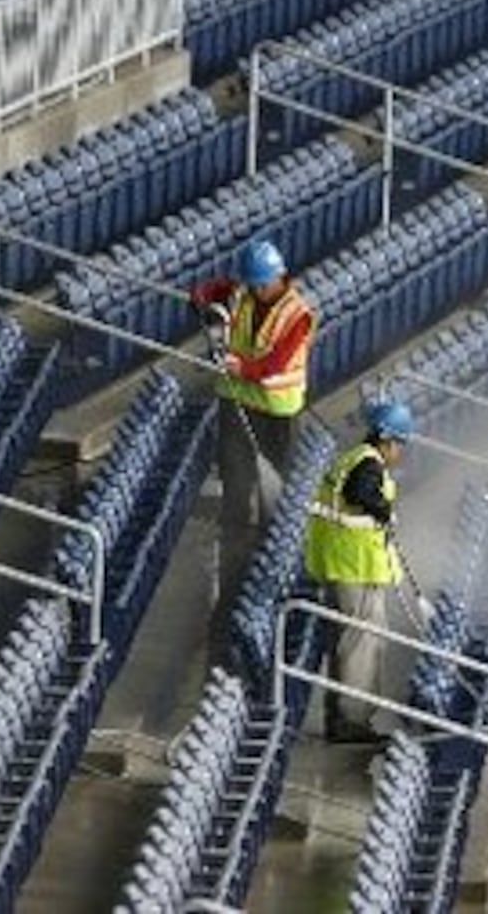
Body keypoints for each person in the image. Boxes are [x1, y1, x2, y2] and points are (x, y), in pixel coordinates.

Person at [189, 239, 316, 675]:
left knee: (273, 496)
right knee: (237, 489)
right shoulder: (240, 293)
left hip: (276, 415)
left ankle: (266, 557)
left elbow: (276, 364)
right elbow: (202, 291)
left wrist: (238, 364)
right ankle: (234, 550)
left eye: (261, 285)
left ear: (278, 278)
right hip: (234, 407)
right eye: (252, 284)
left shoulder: (298, 315)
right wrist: (211, 316)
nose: (255, 291)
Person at [304, 399, 418, 745]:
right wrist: (382, 509)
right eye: (400, 443)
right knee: (360, 646)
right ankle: (350, 721)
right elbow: (361, 492)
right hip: (355, 569)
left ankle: (343, 716)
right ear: (387, 440)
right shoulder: (367, 466)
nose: (400, 452)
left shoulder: (354, 458)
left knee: (353, 642)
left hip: (346, 565)